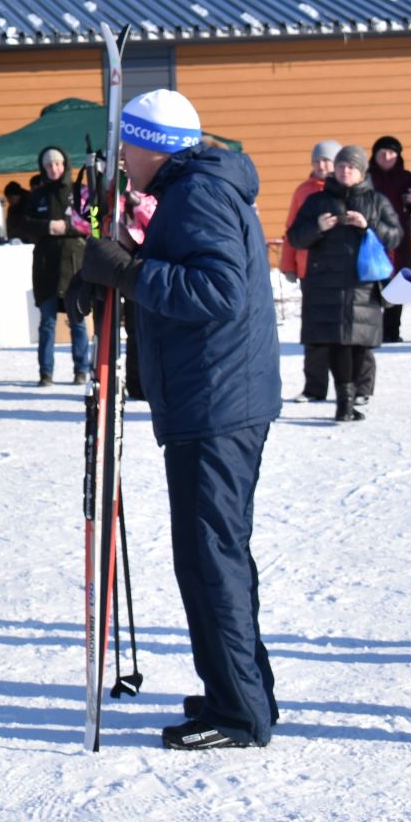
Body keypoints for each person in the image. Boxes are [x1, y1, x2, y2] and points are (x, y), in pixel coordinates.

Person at [73, 88, 280, 749]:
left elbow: (215, 291)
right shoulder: (198, 190)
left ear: (148, 145)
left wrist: (129, 271)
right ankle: (243, 692)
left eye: (124, 148)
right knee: (217, 554)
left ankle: (237, 714)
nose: (121, 162)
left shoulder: (198, 195)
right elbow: (187, 267)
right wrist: (120, 266)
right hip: (214, 396)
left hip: (214, 403)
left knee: (209, 559)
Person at [285, 145, 402, 421]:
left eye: (350, 167)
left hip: (363, 284)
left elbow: (395, 236)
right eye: (340, 166)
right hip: (327, 283)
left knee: (360, 343)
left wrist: (368, 224)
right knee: (337, 342)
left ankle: (353, 396)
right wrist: (318, 228)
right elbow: (295, 237)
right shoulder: (317, 201)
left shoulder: (376, 201)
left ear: (361, 172)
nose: (344, 171)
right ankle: (344, 403)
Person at [24, 147, 91, 386]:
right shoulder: (37, 196)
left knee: (78, 322)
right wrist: (48, 227)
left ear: (65, 165)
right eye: (49, 165)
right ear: (44, 168)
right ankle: (46, 372)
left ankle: (82, 369)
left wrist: (68, 227)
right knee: (47, 323)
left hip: (74, 266)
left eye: (58, 164)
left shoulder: (79, 192)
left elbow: (92, 222)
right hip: (46, 268)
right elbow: (25, 224)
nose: (54, 169)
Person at [280, 141, 341, 400]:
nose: (321, 165)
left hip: (341, 271)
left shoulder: (345, 191)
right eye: (317, 161)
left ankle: (350, 388)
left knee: (343, 333)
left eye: (326, 160)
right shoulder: (303, 191)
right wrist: (288, 263)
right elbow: (291, 228)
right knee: (314, 333)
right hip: (310, 270)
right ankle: (314, 388)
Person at [367, 135, 411, 342]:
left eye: (391, 153)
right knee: (371, 286)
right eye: (382, 153)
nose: (387, 157)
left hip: (399, 241)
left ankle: (392, 331)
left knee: (398, 285)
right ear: (374, 156)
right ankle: (372, 330)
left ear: (398, 156)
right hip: (371, 241)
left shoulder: (407, 178)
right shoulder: (366, 178)